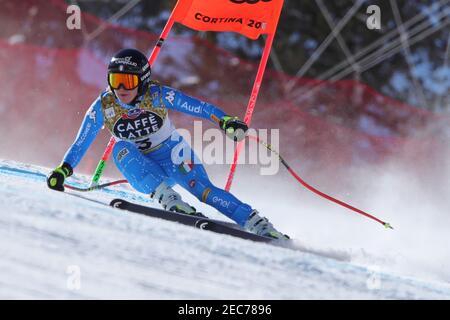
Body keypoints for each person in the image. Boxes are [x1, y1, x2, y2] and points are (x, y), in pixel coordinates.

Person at [46, 48, 289, 240]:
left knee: (203, 191)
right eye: (115, 80)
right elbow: (81, 142)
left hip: (173, 154)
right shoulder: (104, 106)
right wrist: (63, 169)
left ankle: (258, 224)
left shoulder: (158, 95)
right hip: (143, 168)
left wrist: (225, 121)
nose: (121, 89)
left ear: (142, 80)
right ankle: (170, 199)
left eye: (127, 82)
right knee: (121, 149)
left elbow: (201, 108)